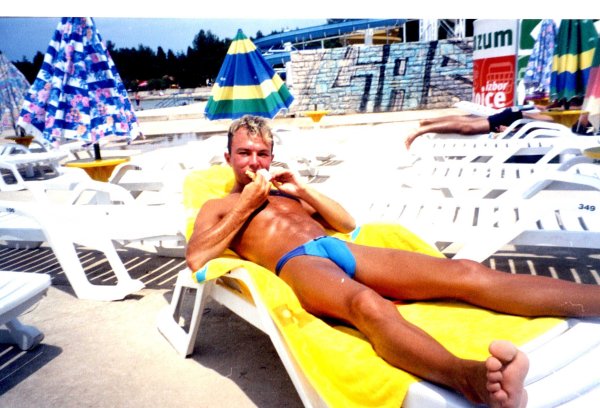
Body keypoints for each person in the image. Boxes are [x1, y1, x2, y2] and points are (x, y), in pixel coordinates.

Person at [186, 115, 600, 407]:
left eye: (262, 154)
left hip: (337, 246)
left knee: (464, 271)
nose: (254, 162)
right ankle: (472, 379)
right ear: (228, 157)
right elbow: (198, 257)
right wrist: (246, 206)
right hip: (298, 263)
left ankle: (591, 299)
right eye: (244, 153)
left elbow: (346, 223)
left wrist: (303, 190)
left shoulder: (287, 193)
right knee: (366, 304)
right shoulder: (218, 206)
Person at [404, 106, 555, 149]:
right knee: (467, 127)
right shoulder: (557, 119)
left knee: (469, 122)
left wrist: (514, 130)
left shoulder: (555, 115)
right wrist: (514, 129)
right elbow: (535, 122)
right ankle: (420, 130)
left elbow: (534, 121)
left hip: (514, 116)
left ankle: (428, 122)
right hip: (514, 118)